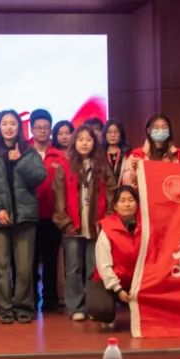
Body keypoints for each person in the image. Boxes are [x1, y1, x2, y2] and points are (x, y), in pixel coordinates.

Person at [0, 109, 47, 324]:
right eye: (5, 124)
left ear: (19, 127)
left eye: (13, 123)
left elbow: (39, 176)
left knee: (25, 266)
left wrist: (19, 161)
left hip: (25, 217)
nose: (9, 127)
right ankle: (5, 308)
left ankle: (24, 307)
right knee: (1, 267)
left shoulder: (29, 152)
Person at [54, 126, 116, 321]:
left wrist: (106, 221)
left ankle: (93, 306)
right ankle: (75, 307)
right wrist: (65, 223)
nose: (84, 143)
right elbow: (59, 198)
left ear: (94, 143)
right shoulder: (64, 166)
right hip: (73, 225)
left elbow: (112, 194)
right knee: (73, 268)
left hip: (96, 226)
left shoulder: (102, 166)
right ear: (74, 143)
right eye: (80, 139)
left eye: (88, 140)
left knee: (93, 268)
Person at [87, 186, 140, 328]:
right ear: (115, 206)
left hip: (137, 280)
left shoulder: (146, 226)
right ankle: (105, 310)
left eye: (131, 200)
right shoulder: (107, 228)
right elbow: (104, 266)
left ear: (137, 204)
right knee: (102, 309)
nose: (127, 204)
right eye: (122, 200)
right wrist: (118, 289)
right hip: (111, 281)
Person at [29, 109, 66, 313]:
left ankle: (50, 299)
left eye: (46, 128)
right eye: (38, 128)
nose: (42, 131)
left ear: (50, 130)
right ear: (31, 129)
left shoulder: (60, 155)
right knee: (30, 260)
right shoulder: (24, 152)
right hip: (29, 216)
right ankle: (31, 298)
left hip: (52, 216)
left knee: (51, 260)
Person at [121, 113, 180, 188]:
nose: (161, 130)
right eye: (156, 128)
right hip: (145, 195)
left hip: (169, 194)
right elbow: (126, 184)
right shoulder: (136, 155)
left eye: (165, 127)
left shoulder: (178, 154)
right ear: (148, 130)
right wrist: (134, 171)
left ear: (169, 130)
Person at [101, 119, 130, 184]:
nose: (113, 135)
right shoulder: (100, 154)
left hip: (124, 189)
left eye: (116, 132)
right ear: (105, 134)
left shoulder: (128, 153)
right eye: (109, 132)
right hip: (106, 189)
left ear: (121, 134)